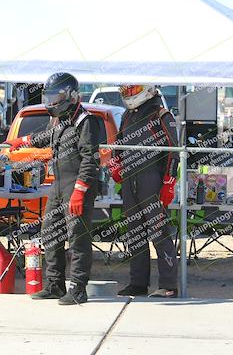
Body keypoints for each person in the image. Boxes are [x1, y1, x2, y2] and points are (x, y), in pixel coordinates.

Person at [5, 72, 100, 305]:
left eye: (54, 96)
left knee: (78, 237)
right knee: (50, 232)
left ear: (70, 95)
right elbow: (48, 137)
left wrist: (80, 190)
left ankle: (78, 289)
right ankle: (55, 285)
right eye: (48, 96)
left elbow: (90, 159)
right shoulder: (59, 119)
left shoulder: (86, 121)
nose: (50, 101)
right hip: (57, 183)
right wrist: (24, 141)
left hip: (76, 184)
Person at [109, 85, 179, 298]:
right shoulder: (128, 115)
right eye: (126, 89)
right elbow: (119, 144)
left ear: (148, 89)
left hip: (153, 179)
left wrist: (169, 181)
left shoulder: (161, 114)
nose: (129, 93)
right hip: (131, 179)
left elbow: (174, 150)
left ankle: (168, 285)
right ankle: (138, 284)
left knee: (159, 233)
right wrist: (115, 164)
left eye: (134, 89)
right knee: (135, 233)